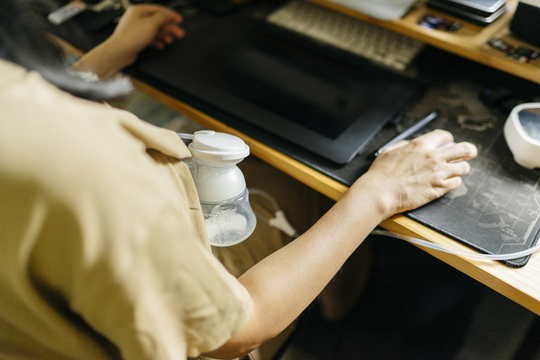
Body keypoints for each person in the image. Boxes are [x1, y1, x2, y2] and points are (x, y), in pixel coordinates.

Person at [0, 1, 478, 359]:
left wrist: (105, 57)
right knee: (313, 189)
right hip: (180, 329)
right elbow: (239, 328)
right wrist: (378, 193)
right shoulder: (84, 170)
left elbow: (29, 116)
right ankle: (338, 316)